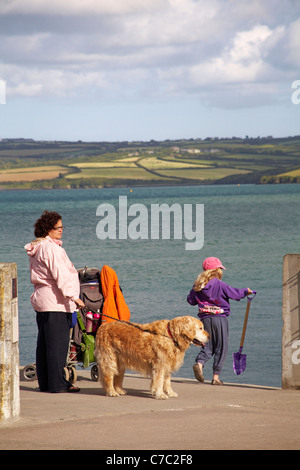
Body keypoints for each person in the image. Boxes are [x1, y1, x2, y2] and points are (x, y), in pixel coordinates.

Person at [25, 210, 85, 393]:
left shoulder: (39, 247)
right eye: (57, 227)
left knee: (44, 345)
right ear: (47, 229)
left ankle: (46, 383)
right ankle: (58, 384)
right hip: (56, 302)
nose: (61, 230)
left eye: (61, 227)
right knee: (57, 347)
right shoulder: (51, 249)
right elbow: (61, 275)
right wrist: (74, 297)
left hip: (43, 301)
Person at [187, 257, 252, 385]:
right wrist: (246, 292)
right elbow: (235, 294)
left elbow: (190, 300)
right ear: (217, 270)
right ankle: (216, 377)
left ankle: (199, 364)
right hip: (219, 319)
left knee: (207, 345)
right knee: (221, 347)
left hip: (204, 319)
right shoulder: (219, 284)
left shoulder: (198, 285)